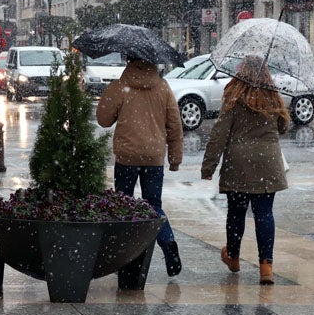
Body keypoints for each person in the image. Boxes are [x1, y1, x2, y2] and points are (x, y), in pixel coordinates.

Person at [201, 55, 290, 285]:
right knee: (264, 214)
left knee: (236, 213)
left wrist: (209, 165)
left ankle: (233, 256)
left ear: (242, 72)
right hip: (268, 164)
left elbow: (220, 133)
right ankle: (266, 266)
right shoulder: (272, 97)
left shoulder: (234, 96)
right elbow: (284, 126)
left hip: (238, 164)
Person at [96, 55, 184, 277]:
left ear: (129, 61)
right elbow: (175, 125)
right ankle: (168, 242)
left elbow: (103, 119)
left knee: (122, 205)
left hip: (127, 156)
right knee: (153, 204)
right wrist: (174, 158)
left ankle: (124, 256)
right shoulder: (163, 87)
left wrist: (111, 96)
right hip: (153, 157)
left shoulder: (120, 86)